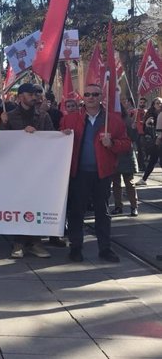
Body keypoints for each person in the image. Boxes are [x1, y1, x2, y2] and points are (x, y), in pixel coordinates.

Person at [61, 84, 131, 263]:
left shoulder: (113, 120)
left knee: (102, 211)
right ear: (82, 97)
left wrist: (112, 143)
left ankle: (105, 249)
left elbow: (126, 144)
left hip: (102, 173)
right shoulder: (70, 119)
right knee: (76, 212)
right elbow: (57, 142)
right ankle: (75, 248)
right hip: (79, 173)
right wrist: (63, 136)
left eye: (95, 94)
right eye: (87, 94)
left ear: (101, 97)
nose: (90, 97)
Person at [0, 83, 54, 259]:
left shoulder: (43, 116)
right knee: (19, 204)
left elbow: (51, 137)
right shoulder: (10, 116)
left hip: (38, 168)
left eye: (35, 94)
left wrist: (62, 136)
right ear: (21, 96)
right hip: (17, 169)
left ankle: (36, 242)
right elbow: (3, 141)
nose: (34, 97)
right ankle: (18, 242)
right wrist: (3, 124)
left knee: (36, 204)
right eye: (30, 94)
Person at [112, 98, 139, 217]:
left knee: (129, 182)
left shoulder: (127, 120)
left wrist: (134, 128)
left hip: (126, 154)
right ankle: (118, 206)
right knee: (116, 183)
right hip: (114, 154)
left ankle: (134, 206)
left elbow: (133, 138)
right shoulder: (108, 120)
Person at [136, 97, 162, 186]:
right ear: (153, 105)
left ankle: (143, 179)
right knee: (153, 160)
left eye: (160, 103)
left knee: (157, 160)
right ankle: (143, 179)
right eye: (157, 103)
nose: (159, 105)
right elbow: (146, 126)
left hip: (159, 140)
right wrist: (148, 122)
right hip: (155, 140)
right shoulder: (151, 114)